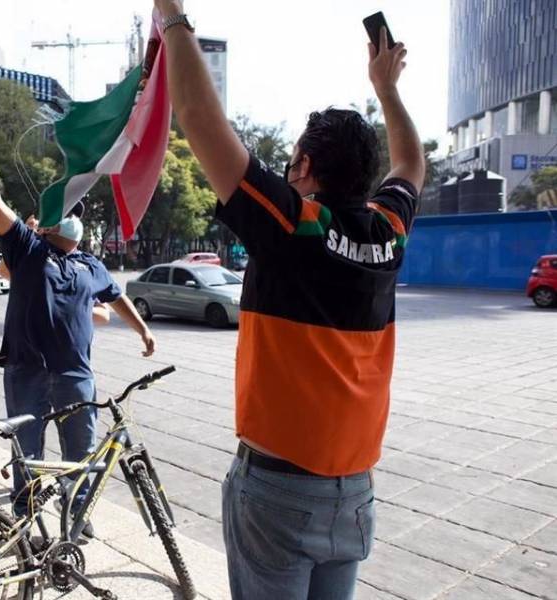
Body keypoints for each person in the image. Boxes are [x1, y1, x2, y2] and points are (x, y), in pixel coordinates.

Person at [154, 2, 426, 598]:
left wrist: (171, 15)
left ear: (303, 166)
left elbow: (198, 117)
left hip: (278, 491)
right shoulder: (389, 231)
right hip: (354, 492)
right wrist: (387, 89)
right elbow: (411, 162)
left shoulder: (292, 223)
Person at [0, 128, 156, 531]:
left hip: (76, 376)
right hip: (27, 372)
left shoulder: (92, 265)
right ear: (48, 223)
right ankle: (23, 522)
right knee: (27, 454)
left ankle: (77, 518)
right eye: (67, 213)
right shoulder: (28, 248)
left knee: (80, 453)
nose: (73, 220)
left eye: (77, 214)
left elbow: (117, 298)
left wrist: (143, 331)